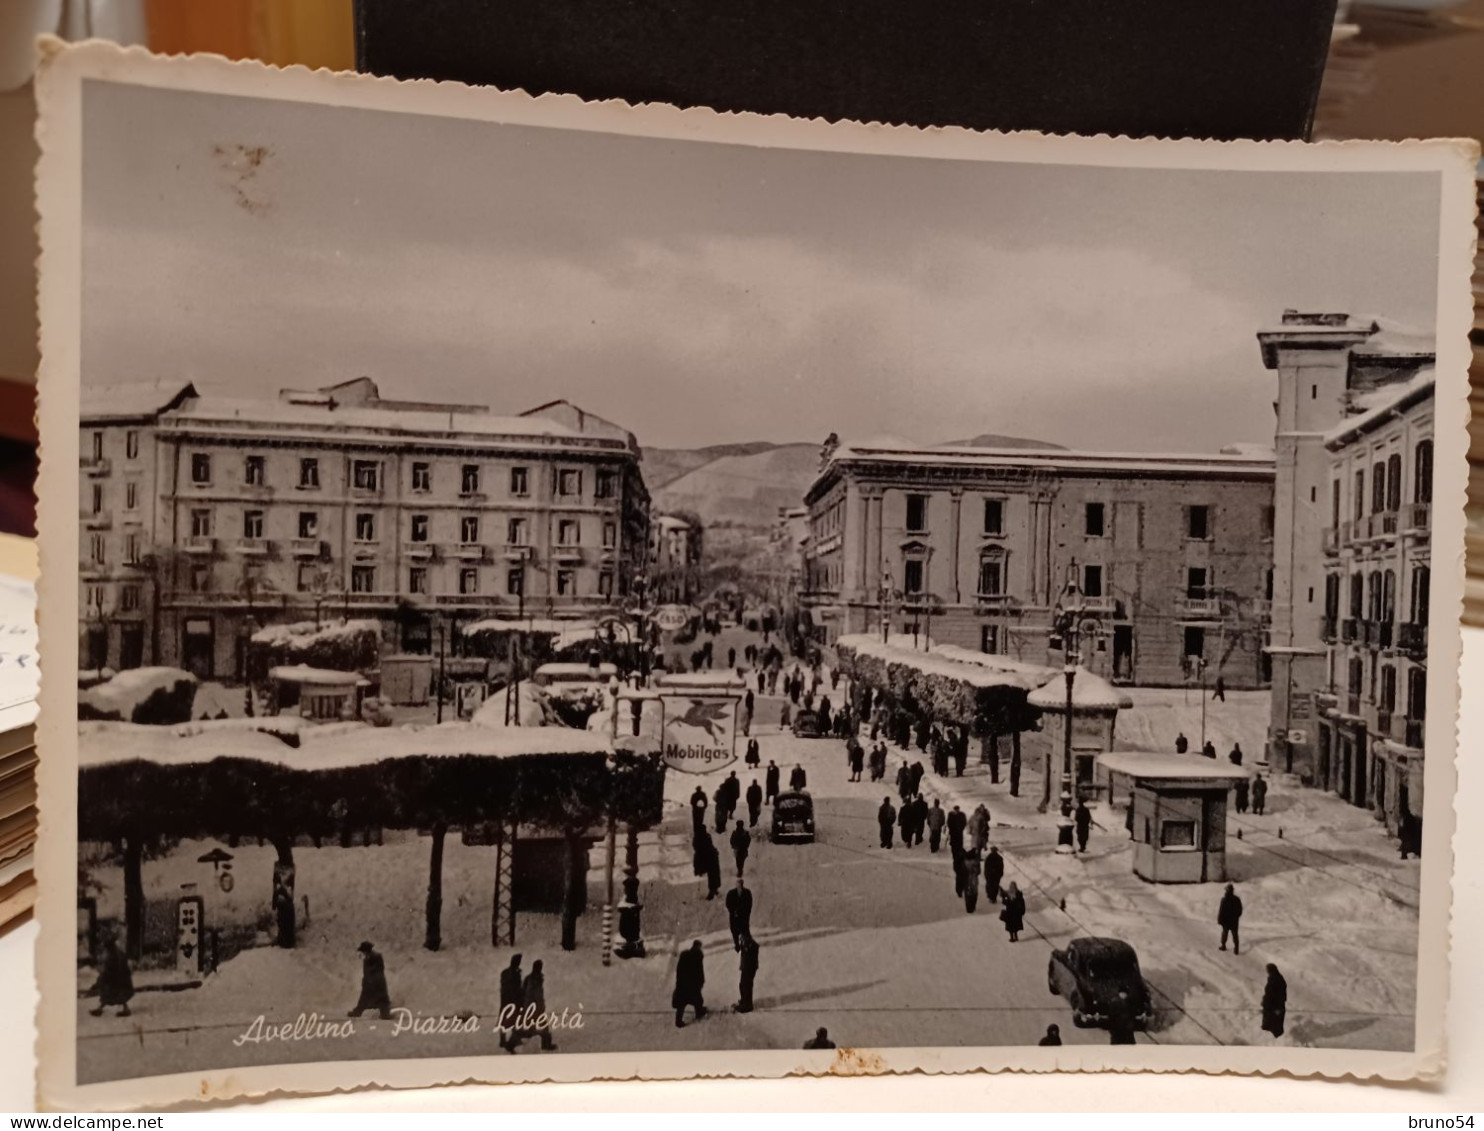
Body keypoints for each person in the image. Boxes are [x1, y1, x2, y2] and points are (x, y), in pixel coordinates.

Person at [515, 959, 557, 1051]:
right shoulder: (536, 979)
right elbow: (536, 995)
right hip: (535, 1007)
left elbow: (523, 992)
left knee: (530, 1027)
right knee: (542, 1026)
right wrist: (541, 1006)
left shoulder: (529, 978)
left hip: (529, 1007)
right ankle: (545, 1044)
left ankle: (517, 1038)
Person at [91, 936, 134, 1018]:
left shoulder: (112, 956)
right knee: (116, 996)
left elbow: (108, 972)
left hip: (117, 980)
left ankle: (100, 1009)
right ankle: (100, 1009)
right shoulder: (117, 953)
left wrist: (99, 981)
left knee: (108, 994)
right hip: (122, 979)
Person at [673, 940, 708, 1028]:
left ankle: (678, 1021)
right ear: (698, 947)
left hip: (683, 982)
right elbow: (700, 971)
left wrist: (679, 980)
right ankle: (699, 1013)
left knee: (681, 1002)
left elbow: (679, 970)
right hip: (692, 982)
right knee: (697, 999)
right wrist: (701, 981)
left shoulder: (684, 955)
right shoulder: (698, 955)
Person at [497, 953, 524, 1050]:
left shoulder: (506, 972)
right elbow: (515, 988)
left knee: (505, 1020)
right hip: (512, 999)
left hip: (506, 999)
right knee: (513, 1019)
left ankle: (504, 1039)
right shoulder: (513, 973)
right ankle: (507, 1040)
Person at [726, 877, 754, 950]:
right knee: (734, 931)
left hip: (743, 916)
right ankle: (737, 945)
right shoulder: (731, 893)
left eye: (740, 883)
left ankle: (746, 944)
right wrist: (733, 911)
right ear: (736, 884)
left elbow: (749, 904)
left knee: (745, 930)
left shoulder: (747, 892)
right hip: (734, 916)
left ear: (742, 884)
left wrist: (747, 912)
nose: (739, 885)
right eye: (738, 883)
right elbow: (728, 904)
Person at [1261, 964, 1288, 1038]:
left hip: (1274, 1005)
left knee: (1274, 1023)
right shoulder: (1276, 978)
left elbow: (1273, 994)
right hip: (1274, 1005)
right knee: (1273, 1022)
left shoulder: (1275, 979)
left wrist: (1267, 1002)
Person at [736, 934, 760, 1013]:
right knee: (742, 985)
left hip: (749, 968)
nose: (740, 940)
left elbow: (751, 956)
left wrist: (746, 948)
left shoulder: (751, 945)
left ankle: (747, 1005)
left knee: (747, 986)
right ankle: (744, 1001)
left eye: (741, 938)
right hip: (745, 968)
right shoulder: (746, 944)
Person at [1217, 883, 1243, 954]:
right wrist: (1236, 916)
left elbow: (1221, 911)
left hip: (1226, 921)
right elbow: (1240, 910)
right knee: (1235, 934)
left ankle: (1223, 945)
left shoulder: (1224, 899)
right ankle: (1236, 948)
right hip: (1234, 921)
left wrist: (1219, 920)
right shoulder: (1236, 899)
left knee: (1225, 933)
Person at [961, 848, 981, 913]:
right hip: (974, 879)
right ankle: (973, 906)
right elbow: (979, 872)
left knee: (967, 893)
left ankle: (968, 908)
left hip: (966, 879)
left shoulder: (964, 862)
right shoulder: (976, 863)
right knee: (974, 893)